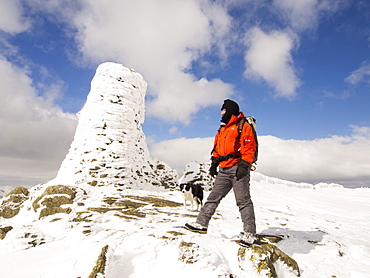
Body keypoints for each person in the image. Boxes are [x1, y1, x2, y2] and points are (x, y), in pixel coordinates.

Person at [185, 99, 257, 246]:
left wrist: (245, 165)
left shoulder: (243, 125)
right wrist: (214, 163)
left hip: (238, 168)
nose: (221, 113)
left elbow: (249, 146)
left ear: (230, 111)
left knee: (243, 201)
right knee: (213, 197)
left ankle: (249, 233)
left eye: (223, 111)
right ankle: (201, 224)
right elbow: (217, 147)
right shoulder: (222, 128)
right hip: (223, 170)